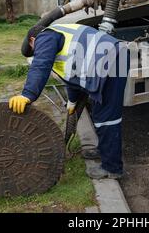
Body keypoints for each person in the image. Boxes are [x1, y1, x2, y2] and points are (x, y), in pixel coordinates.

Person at [9, 23, 129, 180]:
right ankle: (105, 150)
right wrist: (72, 102)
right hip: (108, 62)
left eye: (34, 50)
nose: (37, 53)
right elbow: (72, 78)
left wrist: (27, 94)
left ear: (33, 40)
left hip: (111, 61)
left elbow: (41, 64)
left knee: (106, 118)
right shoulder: (60, 41)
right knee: (100, 114)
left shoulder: (46, 36)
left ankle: (112, 168)